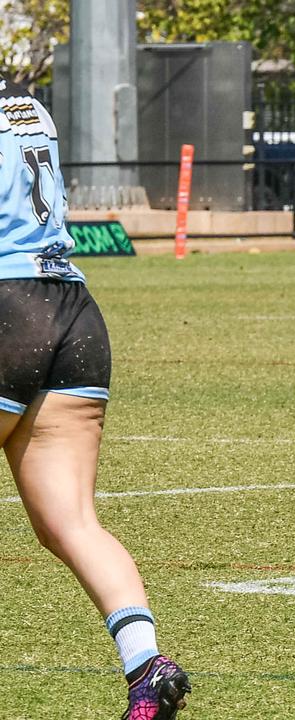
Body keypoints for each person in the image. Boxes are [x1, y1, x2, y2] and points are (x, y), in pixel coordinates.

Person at [0, 77, 191, 717]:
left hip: (5, 308)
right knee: (72, 522)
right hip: (72, 311)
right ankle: (146, 665)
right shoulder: (32, 109)